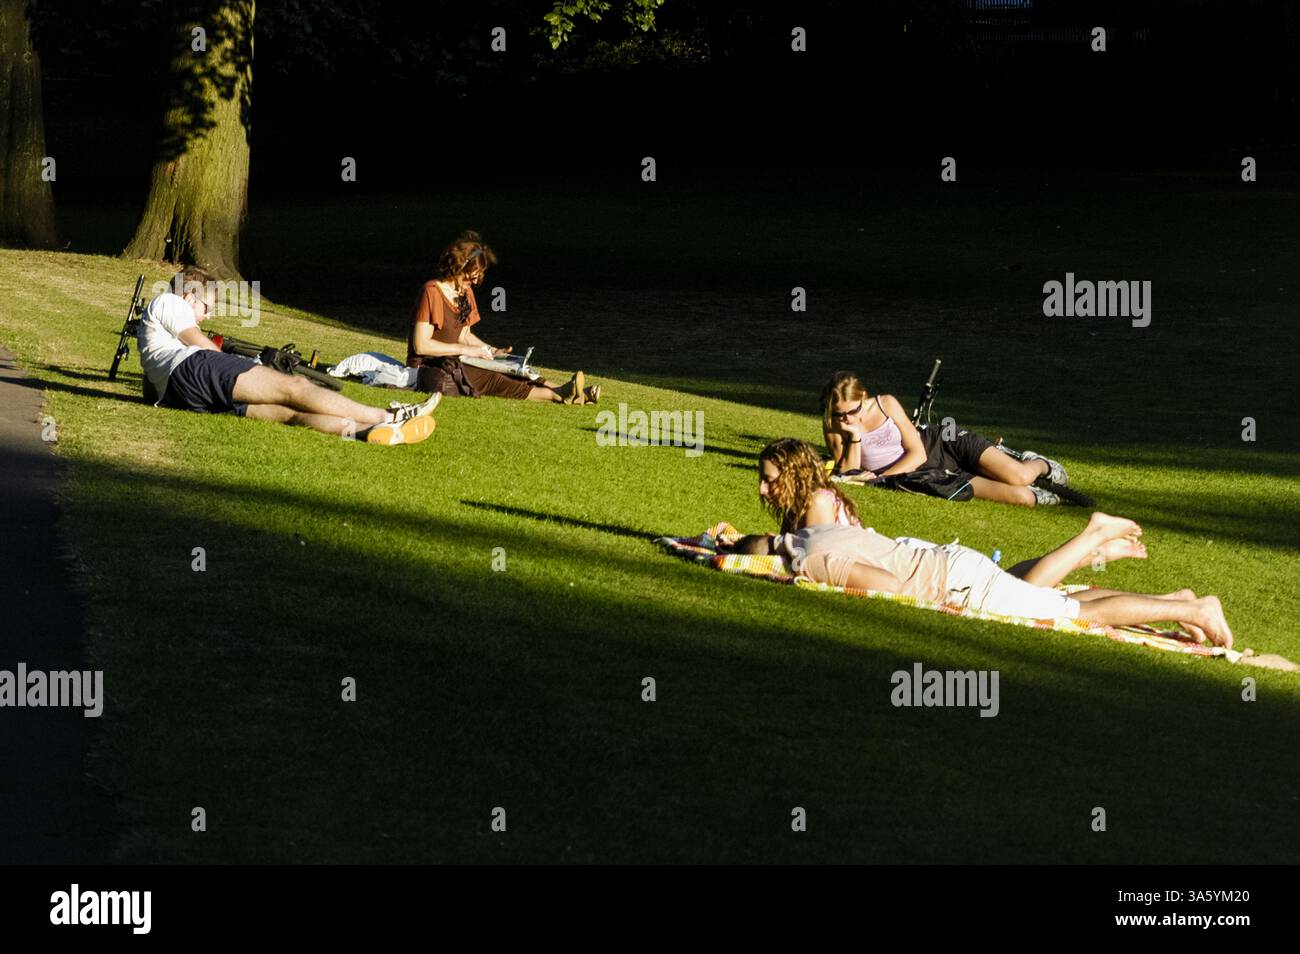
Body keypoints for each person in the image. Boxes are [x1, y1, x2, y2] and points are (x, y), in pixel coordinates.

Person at [722, 438, 1238, 649]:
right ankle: (1174, 601)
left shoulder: (810, 554)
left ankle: (1195, 607)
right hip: (952, 564)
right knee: (1044, 597)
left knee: (1075, 615)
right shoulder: (809, 535)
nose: (762, 490)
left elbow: (889, 587)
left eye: (768, 480)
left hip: (955, 581)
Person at [138, 266, 438, 446]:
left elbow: (150, 389)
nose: (209, 315)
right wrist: (238, 365)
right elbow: (200, 344)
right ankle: (389, 416)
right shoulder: (169, 301)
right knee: (296, 387)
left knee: (289, 414)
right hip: (195, 369)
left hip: (183, 395)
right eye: (207, 307)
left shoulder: (154, 335)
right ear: (189, 296)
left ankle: (368, 432)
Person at [406, 231, 600, 404]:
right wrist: (467, 351)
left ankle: (569, 390)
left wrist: (491, 351)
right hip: (430, 365)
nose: (475, 281)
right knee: (493, 377)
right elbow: (421, 345)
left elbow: (464, 335)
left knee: (508, 367)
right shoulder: (432, 292)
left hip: (457, 357)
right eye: (471, 276)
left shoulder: (465, 293)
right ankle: (556, 395)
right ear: (458, 266)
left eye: (478, 276)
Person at [821, 371, 1068, 506]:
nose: (846, 418)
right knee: (1023, 497)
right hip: (927, 475)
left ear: (863, 395)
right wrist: (854, 436)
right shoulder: (834, 426)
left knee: (1020, 476)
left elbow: (917, 452)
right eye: (839, 414)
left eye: (852, 411)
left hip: (943, 443)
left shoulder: (885, 403)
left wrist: (882, 478)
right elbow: (849, 473)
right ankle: (1038, 490)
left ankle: (1039, 464)